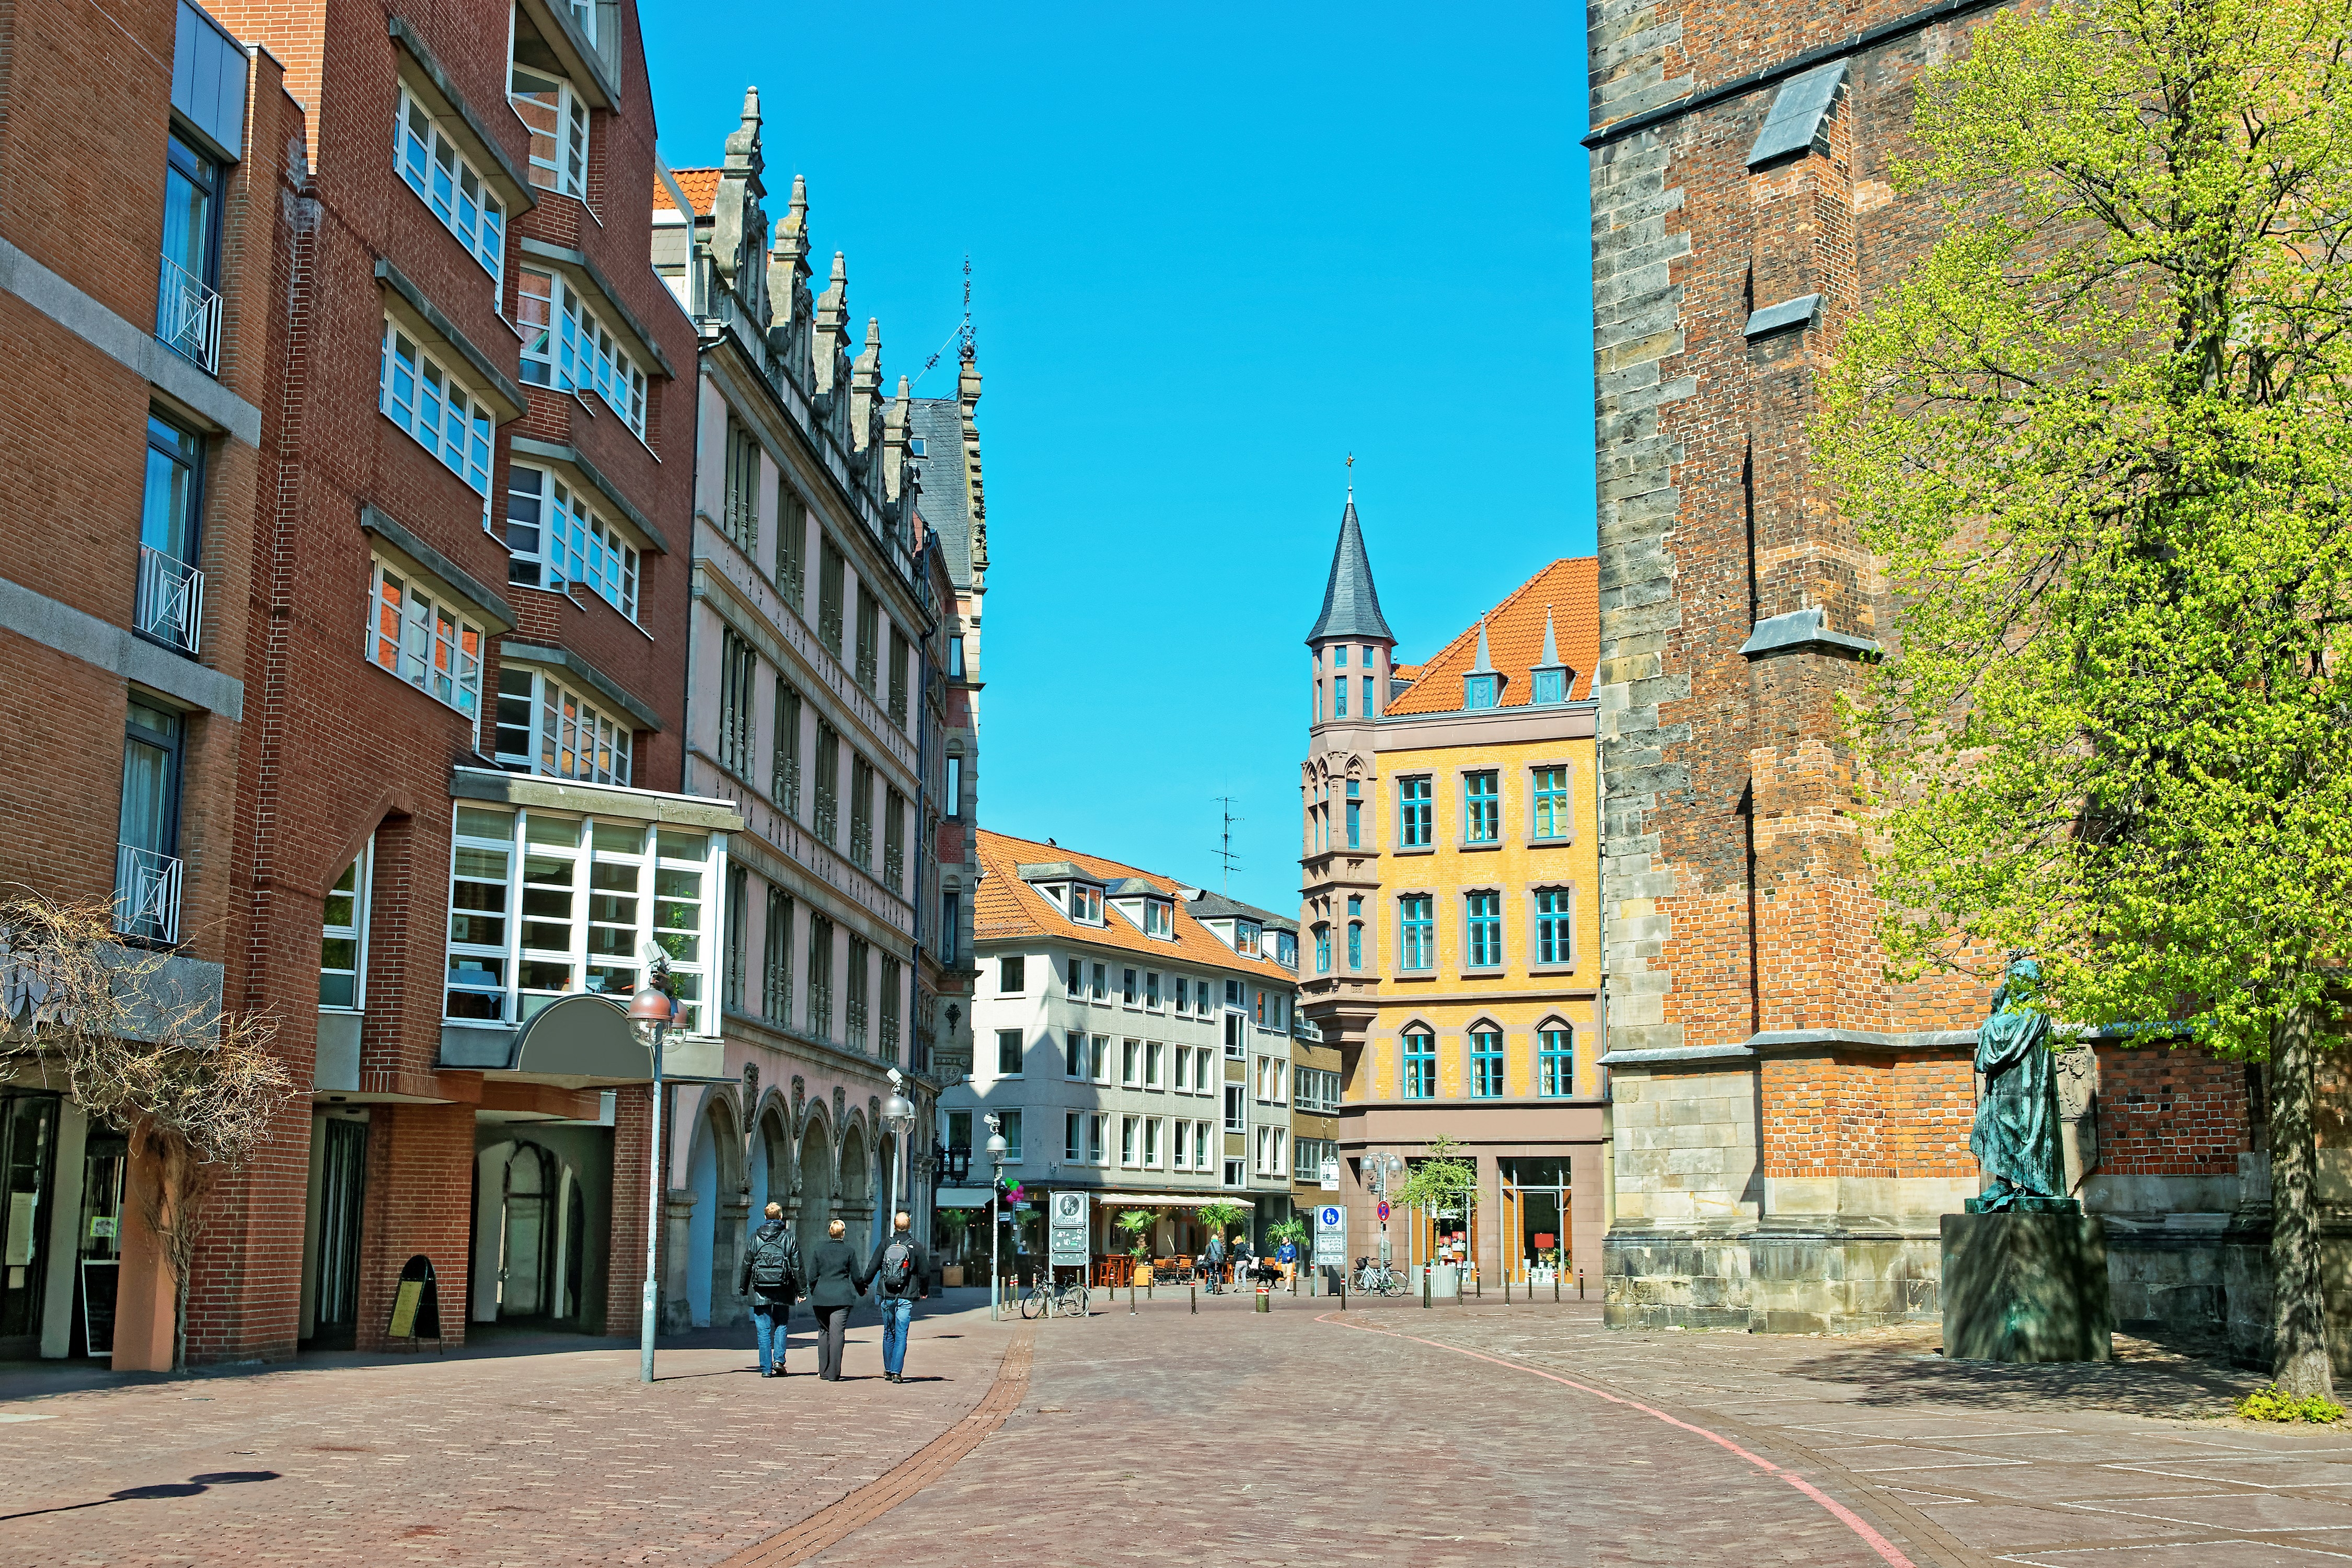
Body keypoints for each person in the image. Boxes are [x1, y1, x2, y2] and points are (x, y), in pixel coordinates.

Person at [736, 1201, 802, 1376]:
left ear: (765, 1217)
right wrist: (801, 1290)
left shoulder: (755, 1237)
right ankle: (779, 1361)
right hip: (783, 1286)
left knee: (763, 1329)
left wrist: (743, 1287)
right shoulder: (789, 1237)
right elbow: (797, 1266)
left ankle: (766, 1368)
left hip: (760, 1288)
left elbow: (747, 1264)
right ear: (781, 1217)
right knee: (781, 1324)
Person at [863, 1210, 928, 1383]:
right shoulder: (916, 1246)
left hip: (886, 1293)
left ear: (894, 1226)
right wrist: (923, 1290)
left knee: (888, 1332)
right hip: (906, 1295)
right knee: (901, 1334)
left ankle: (888, 1369)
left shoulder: (886, 1244)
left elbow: (873, 1266)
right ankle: (897, 1372)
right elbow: (925, 1272)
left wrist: (864, 1283)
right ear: (909, 1226)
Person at [803, 1216, 867, 1381]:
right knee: (837, 1334)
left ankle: (823, 1370)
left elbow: (812, 1276)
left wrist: (814, 1291)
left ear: (830, 1233)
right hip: (841, 1297)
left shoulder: (819, 1250)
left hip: (821, 1296)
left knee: (823, 1331)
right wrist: (862, 1291)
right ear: (843, 1234)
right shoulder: (849, 1251)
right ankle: (834, 1373)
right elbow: (856, 1277)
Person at [1204, 1229, 1226, 1293]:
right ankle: (1220, 1283)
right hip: (1219, 1260)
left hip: (1213, 1260)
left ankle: (1211, 1274)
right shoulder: (1220, 1244)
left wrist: (1205, 1259)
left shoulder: (1210, 1245)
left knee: (1210, 1266)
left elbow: (1207, 1253)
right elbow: (1223, 1253)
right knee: (1220, 1271)